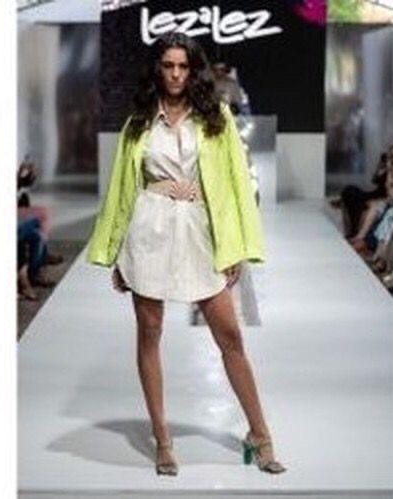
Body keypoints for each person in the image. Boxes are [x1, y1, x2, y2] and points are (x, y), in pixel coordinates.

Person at [85, 32, 286, 476]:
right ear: (157, 69)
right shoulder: (139, 120)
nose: (175, 74)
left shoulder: (215, 117)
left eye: (183, 66)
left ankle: (260, 433)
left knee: (230, 336)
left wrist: (234, 247)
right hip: (149, 231)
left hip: (198, 231)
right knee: (149, 332)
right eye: (168, 66)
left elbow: (236, 185)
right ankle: (163, 439)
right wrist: (117, 250)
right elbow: (121, 188)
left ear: (193, 71)